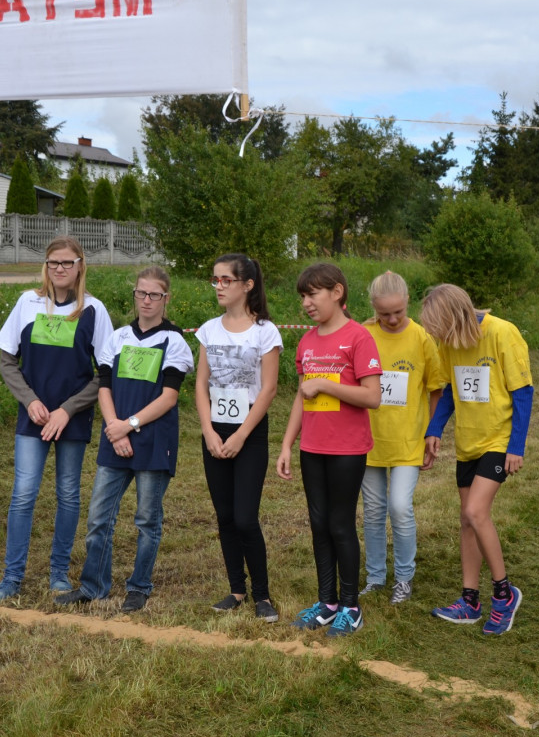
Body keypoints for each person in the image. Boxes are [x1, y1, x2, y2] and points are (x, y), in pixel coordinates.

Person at [56, 266, 193, 612]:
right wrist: (114, 427)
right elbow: (105, 387)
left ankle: (139, 586)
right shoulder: (117, 338)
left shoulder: (173, 341)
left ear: (166, 299)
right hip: (115, 438)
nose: (146, 301)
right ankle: (93, 585)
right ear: (134, 295)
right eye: (141, 293)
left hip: (152, 441)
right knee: (99, 518)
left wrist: (128, 425)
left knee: (147, 519)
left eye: (155, 295)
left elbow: (169, 397)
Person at [0, 237, 113, 603]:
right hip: (34, 416)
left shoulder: (94, 310)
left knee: (68, 494)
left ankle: (58, 574)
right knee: (23, 494)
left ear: (79, 265)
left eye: (67, 263)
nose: (59, 269)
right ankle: (11, 579)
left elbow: (105, 371)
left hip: (71, 417)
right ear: (46, 265)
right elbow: (7, 360)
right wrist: (30, 401)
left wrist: (67, 409)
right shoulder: (27, 302)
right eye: (53, 262)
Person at [277, 263, 382, 637]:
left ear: (337, 292)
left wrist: (325, 384)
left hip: (347, 449)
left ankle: (351, 606)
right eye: (303, 296)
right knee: (319, 524)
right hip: (313, 448)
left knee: (340, 524)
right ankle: (327, 603)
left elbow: (372, 397)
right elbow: (301, 398)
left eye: (313, 294)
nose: (306, 303)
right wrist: (288, 443)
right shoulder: (307, 342)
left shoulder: (359, 338)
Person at [422, 284, 533, 634]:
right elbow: (453, 390)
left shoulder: (502, 332)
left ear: (455, 318)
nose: (439, 338)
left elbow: (524, 393)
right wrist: (434, 428)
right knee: (466, 521)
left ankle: (504, 594)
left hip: (498, 441)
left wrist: (516, 446)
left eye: (440, 329)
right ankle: (469, 601)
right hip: (468, 442)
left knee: (476, 512)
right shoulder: (449, 342)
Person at [195, 254, 281, 621]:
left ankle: (262, 595)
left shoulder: (265, 332)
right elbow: (200, 385)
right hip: (215, 431)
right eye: (215, 279)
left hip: (250, 433)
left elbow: (269, 389)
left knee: (246, 518)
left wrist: (242, 435)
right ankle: (236, 589)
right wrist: (208, 432)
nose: (219, 286)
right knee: (225, 516)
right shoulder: (208, 330)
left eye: (226, 280)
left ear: (247, 285)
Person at [359, 270, 444, 604]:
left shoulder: (422, 338)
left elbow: (436, 389)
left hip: (409, 439)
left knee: (400, 506)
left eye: (398, 312)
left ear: (408, 302)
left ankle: (404, 578)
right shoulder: (363, 334)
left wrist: (433, 433)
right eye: (384, 314)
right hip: (370, 439)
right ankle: (377, 577)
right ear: (373, 309)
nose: (392, 319)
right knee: (374, 509)